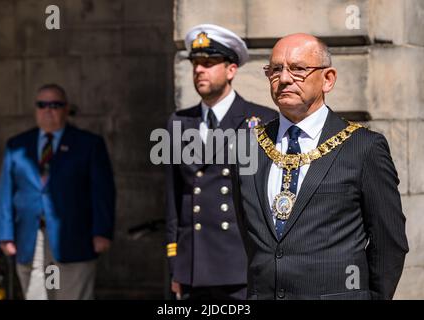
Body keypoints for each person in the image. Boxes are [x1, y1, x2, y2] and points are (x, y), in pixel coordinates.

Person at [231, 33, 409, 300]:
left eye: (299, 69)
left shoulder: (363, 147)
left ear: (328, 79)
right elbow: (251, 237)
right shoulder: (248, 146)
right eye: (275, 69)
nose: (285, 78)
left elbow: (389, 242)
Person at [165, 24, 277, 300]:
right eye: (195, 63)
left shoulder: (261, 120)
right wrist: (174, 261)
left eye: (209, 63)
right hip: (193, 264)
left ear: (231, 70)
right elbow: (174, 198)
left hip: (239, 261)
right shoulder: (179, 122)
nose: (199, 70)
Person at [0, 84, 115, 300]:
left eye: (55, 105)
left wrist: (102, 231)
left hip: (73, 239)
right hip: (32, 239)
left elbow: (102, 192)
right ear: (35, 109)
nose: (48, 110)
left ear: (66, 108)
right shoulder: (17, 145)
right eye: (42, 105)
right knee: (39, 295)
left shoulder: (88, 144)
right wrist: (5, 234)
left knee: (70, 295)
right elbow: (6, 193)